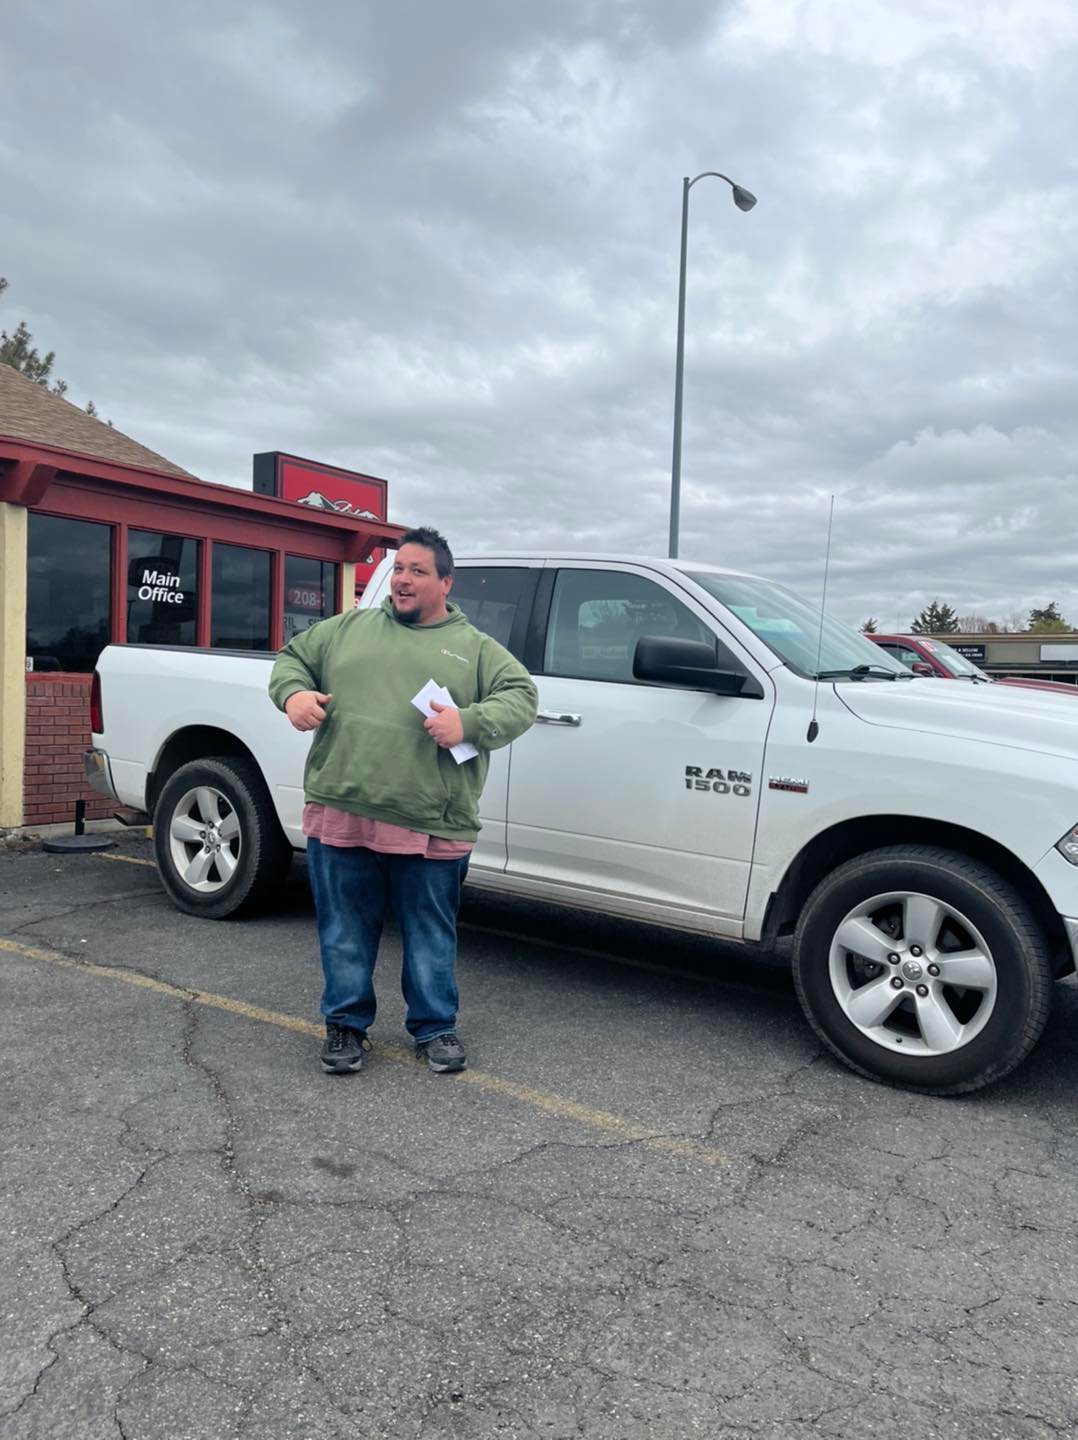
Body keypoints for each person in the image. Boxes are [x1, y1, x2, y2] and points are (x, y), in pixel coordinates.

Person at [268, 527, 538, 1076]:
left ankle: (435, 1028)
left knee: (429, 933)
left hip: (431, 821)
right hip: (342, 808)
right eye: (397, 569)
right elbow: (291, 660)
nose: (403, 580)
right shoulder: (347, 630)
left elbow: (522, 698)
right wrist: (293, 695)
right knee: (344, 931)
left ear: (445, 583)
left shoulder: (474, 649)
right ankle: (345, 1026)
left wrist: (469, 722)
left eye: (418, 571)